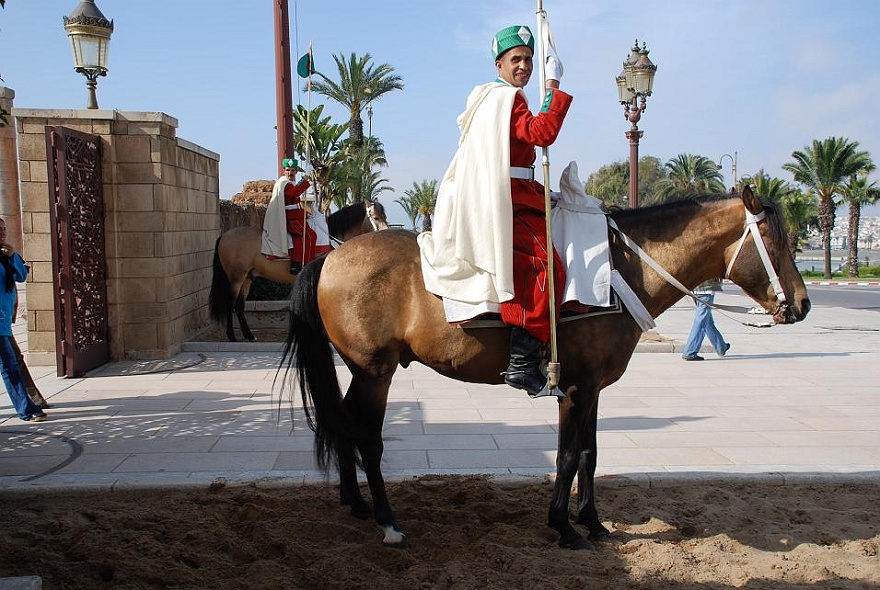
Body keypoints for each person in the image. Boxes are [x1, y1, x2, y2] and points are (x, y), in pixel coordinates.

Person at [419, 24, 572, 397]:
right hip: (512, 196)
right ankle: (522, 362)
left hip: (520, 188)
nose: (524, 66)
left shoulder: (490, 99)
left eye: (529, 60)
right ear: (499, 64)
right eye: (516, 59)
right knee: (545, 265)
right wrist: (552, 89)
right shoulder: (508, 99)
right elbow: (540, 133)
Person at [0, 217, 47, 422]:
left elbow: (20, 276)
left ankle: (33, 401)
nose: (2, 233)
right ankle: (27, 409)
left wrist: (11, 256)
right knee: (9, 365)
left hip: (3, 321)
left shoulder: (6, 255)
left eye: (3, 229)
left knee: (14, 362)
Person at [261, 158, 332, 272]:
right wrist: (307, 179)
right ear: (284, 170)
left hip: (295, 215)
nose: (290, 173)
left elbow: (296, 193)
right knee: (310, 235)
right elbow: (295, 192)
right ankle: (301, 264)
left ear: (296, 172)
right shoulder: (284, 183)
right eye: (288, 170)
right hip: (290, 218)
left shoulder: (289, 183)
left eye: (292, 170)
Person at [682, 278, 731, 361]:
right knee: (702, 320)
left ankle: (721, 347)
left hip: (695, 288)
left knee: (707, 321)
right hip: (706, 289)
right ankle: (690, 351)